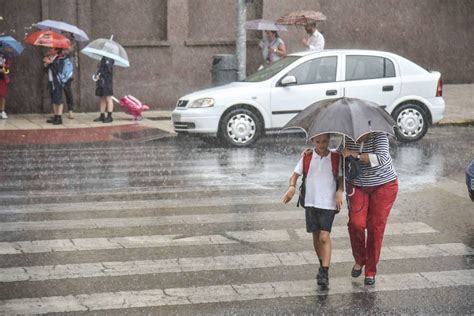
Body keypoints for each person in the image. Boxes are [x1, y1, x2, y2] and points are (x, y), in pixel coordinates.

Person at [282, 134, 343, 286]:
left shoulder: (336, 157)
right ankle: (322, 264)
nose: (321, 144)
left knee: (324, 236)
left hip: (328, 203)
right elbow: (294, 175)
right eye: (318, 141)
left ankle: (325, 271)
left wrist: (339, 192)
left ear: (329, 140)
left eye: (324, 141)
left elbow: (341, 178)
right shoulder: (307, 157)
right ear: (312, 141)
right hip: (311, 202)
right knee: (316, 235)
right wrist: (291, 188)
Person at [339, 132, 398, 285]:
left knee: (375, 228)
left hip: (384, 185)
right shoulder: (347, 135)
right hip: (357, 184)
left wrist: (355, 154)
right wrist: (318, 151)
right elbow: (339, 155)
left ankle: (370, 271)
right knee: (356, 224)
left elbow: (382, 158)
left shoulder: (379, 135)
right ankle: (359, 259)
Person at [43, 48, 66, 125]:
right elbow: (47, 71)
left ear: (56, 50)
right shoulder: (52, 58)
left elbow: (57, 70)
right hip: (51, 81)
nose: (49, 50)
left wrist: (50, 63)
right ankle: (55, 116)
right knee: (53, 99)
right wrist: (46, 65)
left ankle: (59, 117)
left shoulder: (60, 58)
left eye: (51, 49)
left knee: (58, 99)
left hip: (58, 82)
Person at [93, 56, 114, 123]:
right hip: (101, 81)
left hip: (106, 82)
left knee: (108, 98)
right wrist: (97, 75)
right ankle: (102, 115)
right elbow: (101, 69)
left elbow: (108, 70)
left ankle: (109, 116)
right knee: (102, 98)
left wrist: (100, 75)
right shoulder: (103, 57)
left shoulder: (109, 58)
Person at [61, 32, 76, 119]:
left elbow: (70, 51)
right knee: (58, 91)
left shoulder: (72, 43)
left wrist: (66, 50)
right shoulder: (58, 42)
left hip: (67, 71)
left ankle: (70, 110)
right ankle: (58, 111)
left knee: (68, 91)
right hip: (59, 70)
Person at [0, 52, 11, 119]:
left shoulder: (5, 56)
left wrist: (4, 67)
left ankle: (2, 111)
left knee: (2, 95)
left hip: (2, 79)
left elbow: (8, 67)